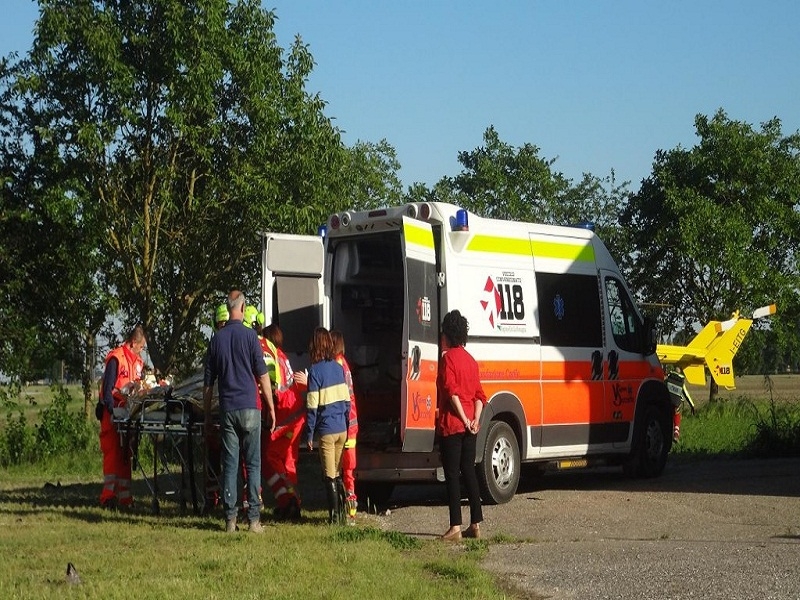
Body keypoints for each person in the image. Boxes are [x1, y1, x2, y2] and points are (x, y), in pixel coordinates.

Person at [203, 291, 275, 533]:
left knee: (230, 465)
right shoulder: (251, 337)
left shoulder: (216, 340)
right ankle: (254, 520)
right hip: (251, 409)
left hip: (228, 409)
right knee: (253, 464)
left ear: (228, 307)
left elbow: (207, 385)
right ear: (243, 307)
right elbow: (263, 377)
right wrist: (271, 409)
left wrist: (205, 416)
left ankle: (230, 520)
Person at [437, 310, 486, 541]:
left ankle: (455, 526)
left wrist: (464, 419)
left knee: (452, 475)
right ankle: (475, 523)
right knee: (469, 472)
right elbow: (479, 396)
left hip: (453, 424)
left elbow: (451, 392)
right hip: (470, 427)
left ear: (447, 334)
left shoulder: (448, 359)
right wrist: (475, 419)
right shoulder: (471, 360)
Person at [98, 324, 147, 509]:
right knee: (112, 454)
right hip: (112, 412)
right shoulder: (116, 358)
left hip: (128, 413)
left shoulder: (137, 362)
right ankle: (108, 497)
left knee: (126, 455)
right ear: (134, 342)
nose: (142, 351)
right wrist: (110, 410)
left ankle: (125, 498)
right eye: (141, 347)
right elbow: (108, 386)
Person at [304, 327, 350, 524]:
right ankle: (343, 515)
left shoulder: (315, 372)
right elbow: (347, 403)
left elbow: (312, 407)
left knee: (329, 475)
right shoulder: (339, 368)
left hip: (326, 430)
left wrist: (309, 434)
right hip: (342, 429)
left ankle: (334, 518)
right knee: (338, 473)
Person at [262, 322, 306, 521]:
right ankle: (292, 506)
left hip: (286, 416)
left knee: (270, 458)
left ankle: (289, 498)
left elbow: (272, 389)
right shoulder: (282, 356)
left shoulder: (270, 357)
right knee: (288, 461)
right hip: (297, 415)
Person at [330, 329, 358, 525]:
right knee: (349, 472)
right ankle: (351, 511)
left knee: (341, 470)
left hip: (344, 423)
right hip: (352, 424)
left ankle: (346, 511)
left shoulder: (337, 365)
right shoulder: (344, 363)